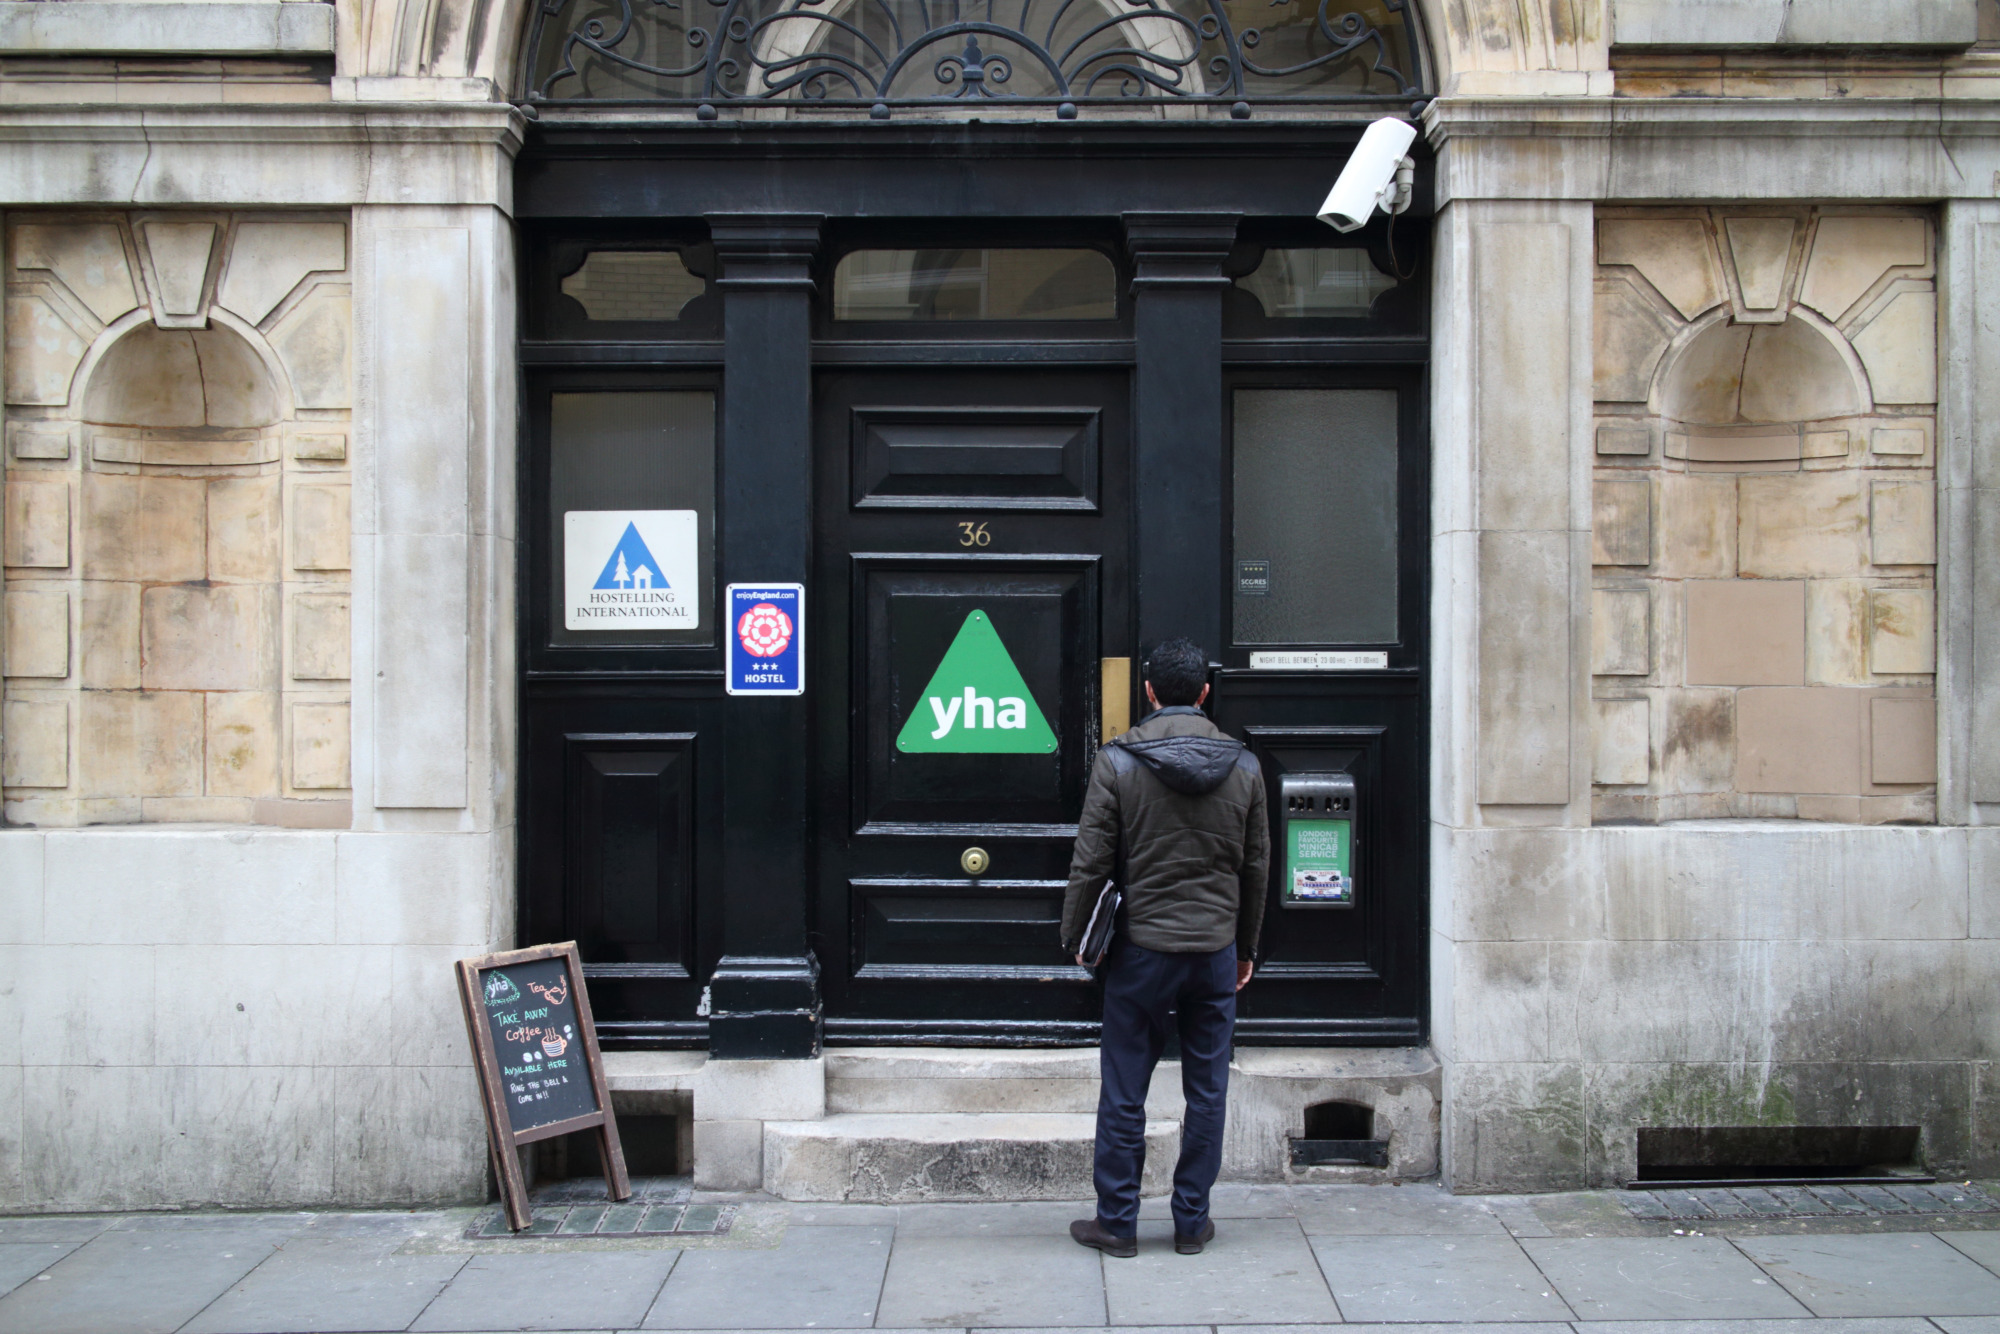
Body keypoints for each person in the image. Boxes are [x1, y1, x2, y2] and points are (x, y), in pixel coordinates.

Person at [1059, 637, 1269, 1258]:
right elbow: (1255, 868)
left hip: (1142, 950)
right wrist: (1246, 947)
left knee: (1125, 1089)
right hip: (1214, 950)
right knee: (1207, 1090)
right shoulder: (1245, 767)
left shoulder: (1117, 763)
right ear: (1204, 691)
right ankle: (1191, 1222)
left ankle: (1117, 1223)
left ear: (1148, 691)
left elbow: (1091, 862)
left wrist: (1077, 937)